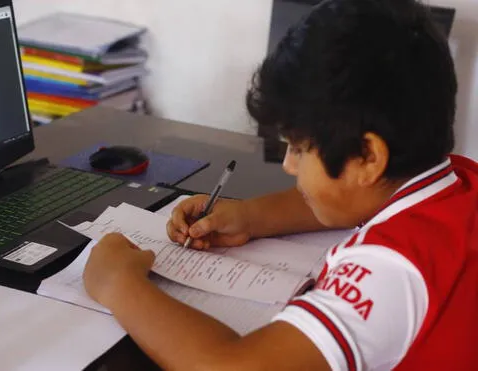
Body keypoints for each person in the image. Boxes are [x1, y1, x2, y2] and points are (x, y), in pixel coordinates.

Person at [82, 0, 478, 369]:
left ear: (368, 156)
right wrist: (251, 217)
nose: (289, 165)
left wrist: (120, 285)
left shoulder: (390, 269)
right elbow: (353, 198)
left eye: (301, 149)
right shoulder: (457, 181)